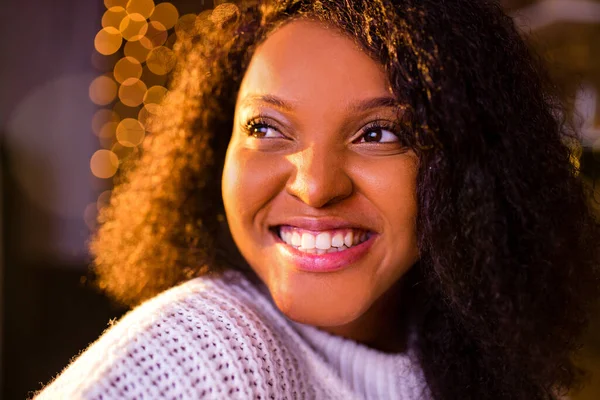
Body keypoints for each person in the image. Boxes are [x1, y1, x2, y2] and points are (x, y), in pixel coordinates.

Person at [34, 0, 600, 399]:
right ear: (214, 148)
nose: (315, 185)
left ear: (474, 170)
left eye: (379, 133)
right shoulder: (207, 348)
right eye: (266, 128)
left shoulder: (477, 360)